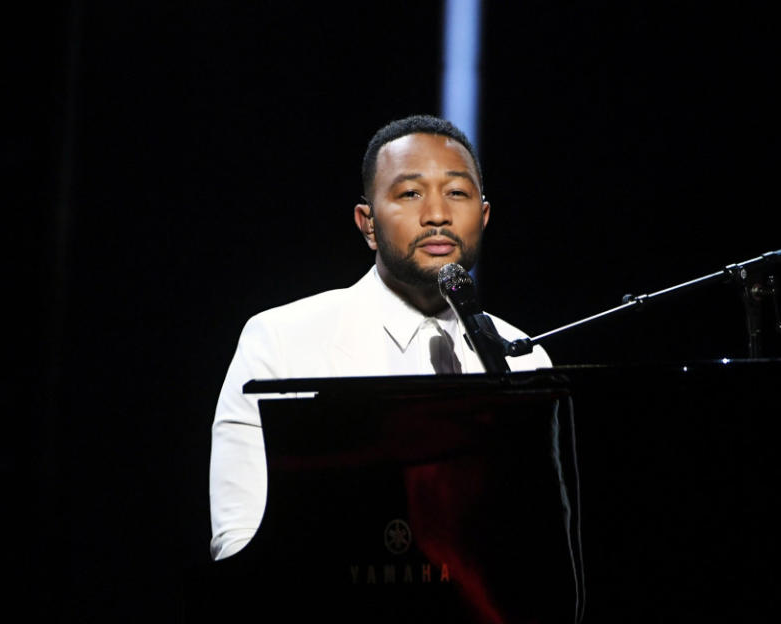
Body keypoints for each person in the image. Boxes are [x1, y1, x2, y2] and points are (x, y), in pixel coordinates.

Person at [209, 114, 552, 560]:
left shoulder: (527, 360)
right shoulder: (280, 342)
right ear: (367, 224)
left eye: (457, 193)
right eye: (410, 193)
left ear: (483, 216)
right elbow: (239, 539)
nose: (437, 215)